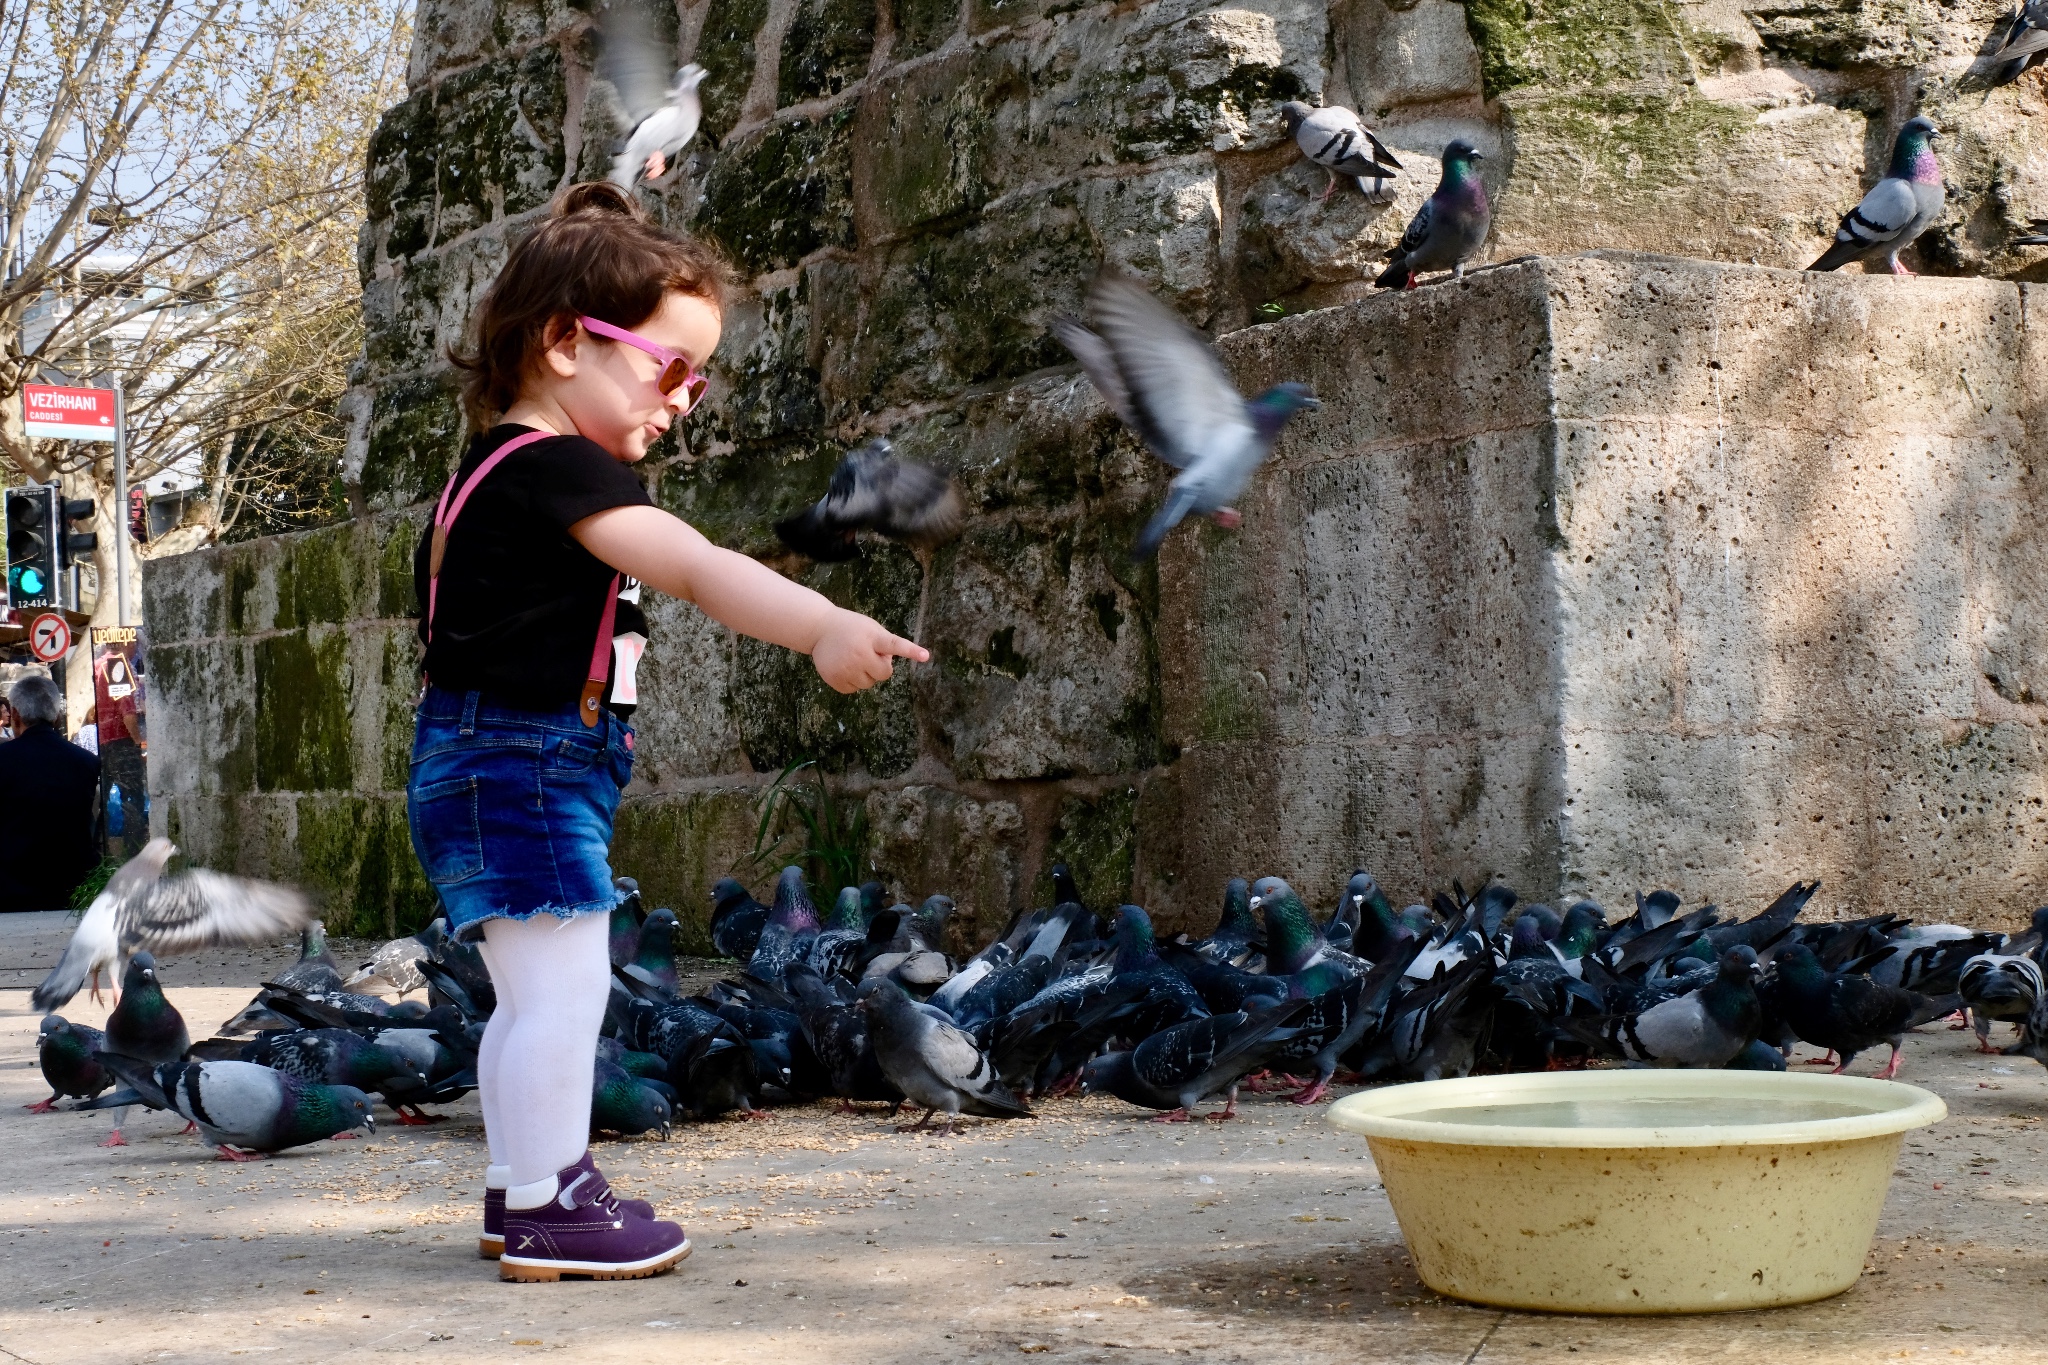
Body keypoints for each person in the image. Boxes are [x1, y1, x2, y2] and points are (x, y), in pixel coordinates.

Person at [411, 181, 926, 1284]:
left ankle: (523, 1189)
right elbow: (697, 568)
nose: (686, 396)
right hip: (525, 759)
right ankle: (550, 1200)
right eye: (668, 366)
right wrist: (823, 623)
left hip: (480, 756)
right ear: (563, 343)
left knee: (527, 997)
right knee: (566, 991)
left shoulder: (483, 477)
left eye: (698, 374)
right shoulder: (557, 469)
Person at [0, 674, 102, 911]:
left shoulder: (4, 759)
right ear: (56, 716)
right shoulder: (86, 762)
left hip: (9, 891)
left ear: (14, 714)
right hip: (71, 891)